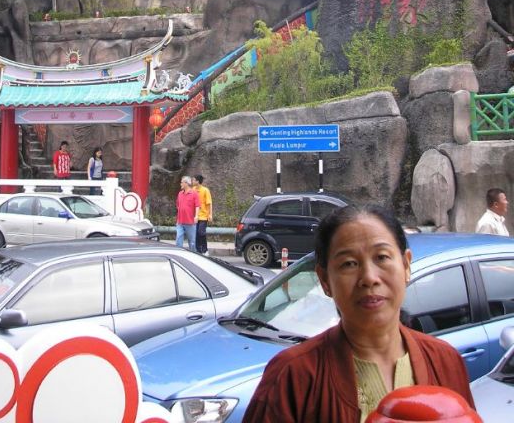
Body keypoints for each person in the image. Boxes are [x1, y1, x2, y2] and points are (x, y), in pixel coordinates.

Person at [242, 205, 475, 423]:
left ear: (406, 265)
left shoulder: (445, 361)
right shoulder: (292, 375)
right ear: (325, 280)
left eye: (382, 257)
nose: (369, 278)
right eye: (349, 264)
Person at [176, 175, 200, 251]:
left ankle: (193, 255)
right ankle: (178, 254)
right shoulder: (180, 193)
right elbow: (178, 205)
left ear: (186, 183)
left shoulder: (194, 193)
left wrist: (196, 216)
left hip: (190, 222)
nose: (180, 184)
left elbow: (197, 206)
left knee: (192, 242)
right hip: (180, 222)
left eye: (181, 182)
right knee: (178, 240)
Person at [192, 175, 213, 255]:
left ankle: (205, 250)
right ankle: (198, 251)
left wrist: (210, 214)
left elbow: (209, 203)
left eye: (194, 180)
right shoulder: (193, 190)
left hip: (204, 216)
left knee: (201, 232)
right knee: (196, 234)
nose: (192, 181)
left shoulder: (205, 190)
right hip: (195, 216)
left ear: (197, 181)